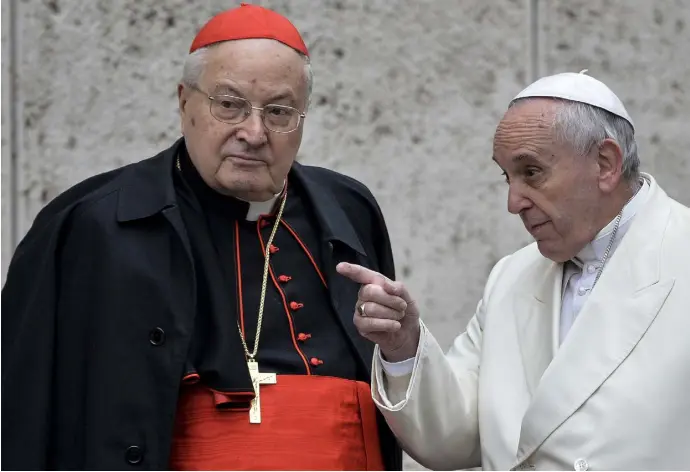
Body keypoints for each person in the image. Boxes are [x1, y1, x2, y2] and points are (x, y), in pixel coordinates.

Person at [1, 4, 402, 470]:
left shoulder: (349, 209)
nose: (253, 132)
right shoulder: (89, 223)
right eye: (229, 104)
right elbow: (21, 409)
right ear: (184, 101)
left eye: (279, 111)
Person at [337, 72, 690, 470]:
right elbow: (453, 436)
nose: (513, 201)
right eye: (507, 176)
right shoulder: (511, 277)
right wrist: (403, 347)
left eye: (532, 172)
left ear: (605, 164)